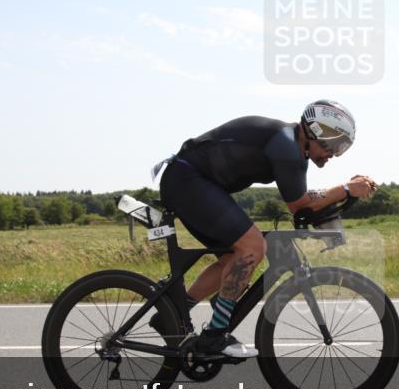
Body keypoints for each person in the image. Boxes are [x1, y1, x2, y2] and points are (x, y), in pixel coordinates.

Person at [152, 100, 377, 358]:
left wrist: (335, 211)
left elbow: (305, 205)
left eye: (343, 148)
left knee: (233, 258)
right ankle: (214, 337)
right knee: (253, 247)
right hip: (188, 180)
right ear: (316, 131)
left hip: (193, 182)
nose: (335, 154)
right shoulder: (285, 145)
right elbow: (300, 204)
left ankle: (174, 313)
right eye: (335, 145)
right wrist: (346, 189)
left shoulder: (294, 149)